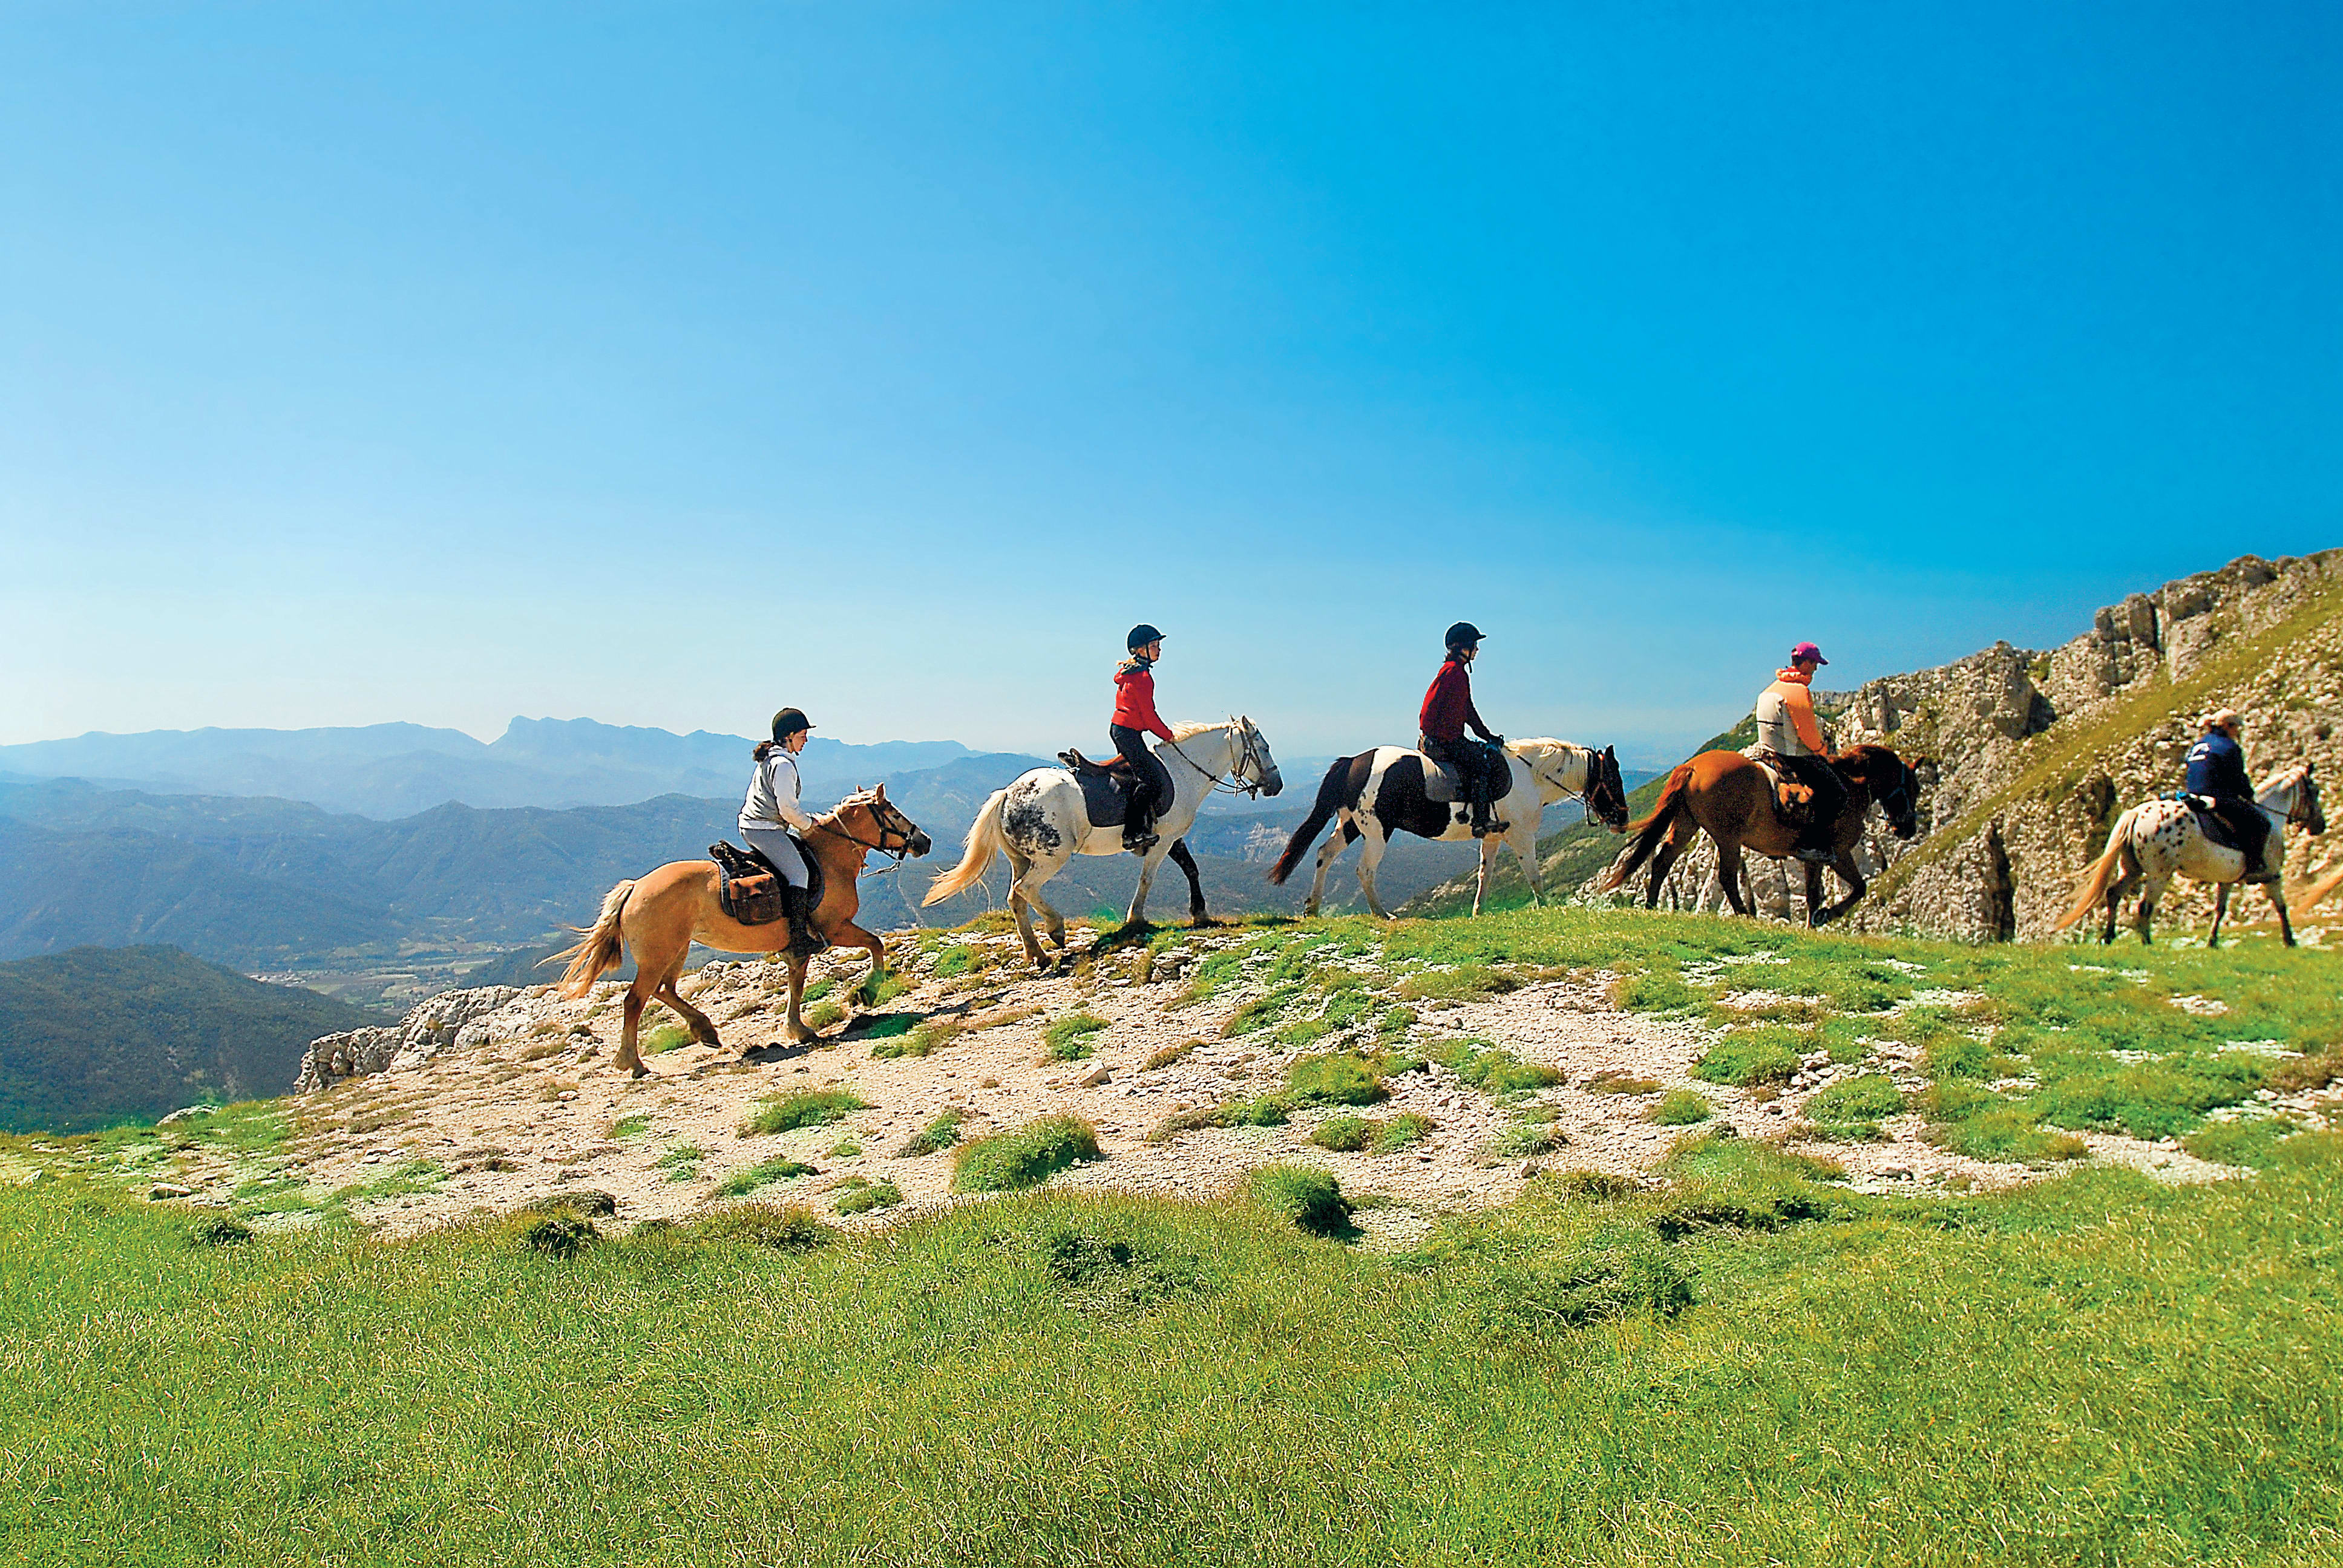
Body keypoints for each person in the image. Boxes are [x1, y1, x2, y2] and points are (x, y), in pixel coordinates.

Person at [739, 707, 825, 955]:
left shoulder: (772, 759)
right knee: (799, 873)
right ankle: (798, 940)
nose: (806, 740)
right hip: (764, 829)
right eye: (802, 735)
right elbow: (787, 809)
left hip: (758, 825)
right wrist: (808, 824)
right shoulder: (783, 765)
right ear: (789, 736)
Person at [1752, 642, 1848, 863]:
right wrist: (1822, 751)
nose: (1816, 669)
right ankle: (1811, 844)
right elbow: (1808, 734)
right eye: (1815, 664)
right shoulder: (1798, 692)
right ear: (1806, 663)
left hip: (1768, 752)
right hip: (1792, 756)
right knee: (1837, 794)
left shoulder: (1771, 688)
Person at [1419, 622, 1509, 837]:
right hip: (1445, 741)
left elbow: (1467, 711)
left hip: (1440, 738)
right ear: (1463, 647)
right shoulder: (1456, 674)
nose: (1477, 649)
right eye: (1474, 645)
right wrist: (1483, 738)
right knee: (1481, 766)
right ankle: (1480, 821)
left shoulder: (1452, 671)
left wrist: (1487, 736)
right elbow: (1465, 712)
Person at [2184, 708, 2276, 881]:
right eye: (2236, 728)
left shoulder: (2199, 745)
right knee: (2261, 824)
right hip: (2215, 797)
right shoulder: (2228, 747)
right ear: (2227, 726)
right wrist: (2249, 796)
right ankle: (2254, 868)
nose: (2237, 733)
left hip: (2192, 795)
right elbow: (2238, 778)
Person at [1112, 625, 1175, 852]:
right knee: (1152, 782)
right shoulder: (1143, 677)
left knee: (1141, 775)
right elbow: (1149, 716)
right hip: (1128, 734)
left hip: (1123, 731)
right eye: (1154, 646)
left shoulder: (1131, 672)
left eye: (1158, 646)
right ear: (1140, 650)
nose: (1159, 650)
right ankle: (1131, 834)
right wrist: (1169, 736)